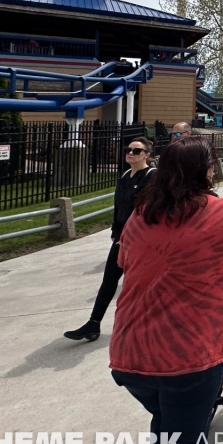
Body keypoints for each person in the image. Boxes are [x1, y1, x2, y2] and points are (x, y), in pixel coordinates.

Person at [109, 138, 223, 444]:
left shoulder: (141, 215)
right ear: (209, 171)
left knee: (168, 427)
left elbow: (125, 261)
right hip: (188, 359)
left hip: (130, 357)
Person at [64, 137, 156, 342]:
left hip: (139, 240)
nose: (130, 153)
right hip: (120, 239)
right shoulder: (125, 175)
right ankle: (93, 324)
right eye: (128, 149)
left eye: (136, 151)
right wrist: (116, 232)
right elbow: (119, 208)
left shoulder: (151, 176)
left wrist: (133, 235)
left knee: (141, 284)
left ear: (147, 155)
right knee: (109, 280)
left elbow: (146, 211)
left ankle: (147, 324)